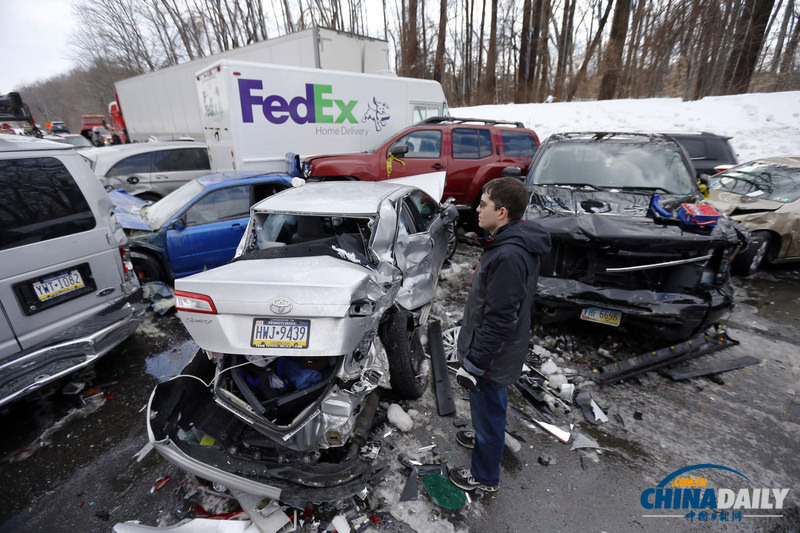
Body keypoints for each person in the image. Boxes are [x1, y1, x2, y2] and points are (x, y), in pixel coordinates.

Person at [449, 177, 551, 493]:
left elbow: (499, 319)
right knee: (488, 407)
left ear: (502, 212)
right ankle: (483, 437)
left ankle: (484, 477)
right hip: (496, 350)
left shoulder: (509, 255)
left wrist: (475, 365)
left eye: (483, 204)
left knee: (489, 411)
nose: (477, 209)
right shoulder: (509, 241)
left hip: (492, 354)